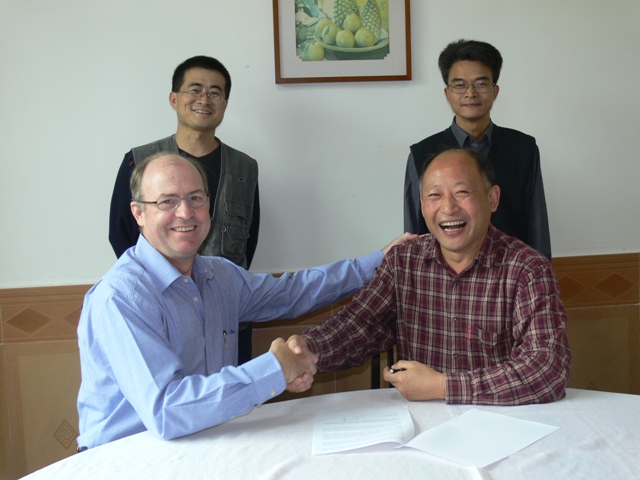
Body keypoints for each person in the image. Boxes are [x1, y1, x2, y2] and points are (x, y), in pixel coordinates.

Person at [78, 152, 414, 449]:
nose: (185, 212)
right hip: (123, 460)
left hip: (201, 446)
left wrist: (379, 260)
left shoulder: (218, 276)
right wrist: (274, 370)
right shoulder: (120, 297)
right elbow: (167, 410)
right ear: (138, 213)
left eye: (195, 198)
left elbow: (294, 292)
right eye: (167, 201)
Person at [290, 148, 570, 405]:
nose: (448, 208)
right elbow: (359, 326)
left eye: (462, 192)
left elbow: (547, 368)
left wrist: (442, 386)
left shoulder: (527, 269)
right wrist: (305, 351)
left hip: (504, 427)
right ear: (422, 204)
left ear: (492, 198)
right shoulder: (404, 262)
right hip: (422, 429)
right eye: (435, 195)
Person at [109, 55, 258, 364]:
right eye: (195, 89)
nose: (204, 99)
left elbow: (249, 239)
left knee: (236, 404)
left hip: (228, 320)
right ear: (174, 99)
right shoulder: (140, 160)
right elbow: (121, 233)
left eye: (215, 92)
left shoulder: (245, 168)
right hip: (163, 318)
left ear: (225, 103)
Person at [404, 39, 552, 260]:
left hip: (512, 274)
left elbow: (536, 223)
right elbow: (415, 232)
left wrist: (542, 272)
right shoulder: (422, 153)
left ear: (495, 91)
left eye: (481, 84)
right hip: (444, 278)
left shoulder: (523, 148)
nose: (470, 93)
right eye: (460, 85)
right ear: (447, 93)